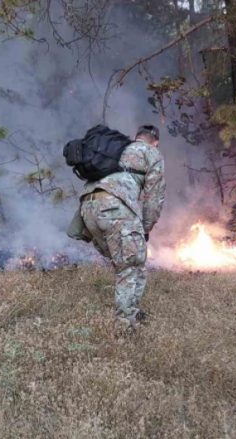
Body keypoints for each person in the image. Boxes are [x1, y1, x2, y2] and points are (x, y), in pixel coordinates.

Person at [68, 124, 165, 329]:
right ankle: (125, 326)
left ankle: (132, 311)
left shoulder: (118, 149)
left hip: (87, 208)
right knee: (130, 264)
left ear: (136, 137)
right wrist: (146, 228)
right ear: (155, 142)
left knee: (129, 262)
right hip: (114, 208)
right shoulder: (151, 153)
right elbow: (154, 198)